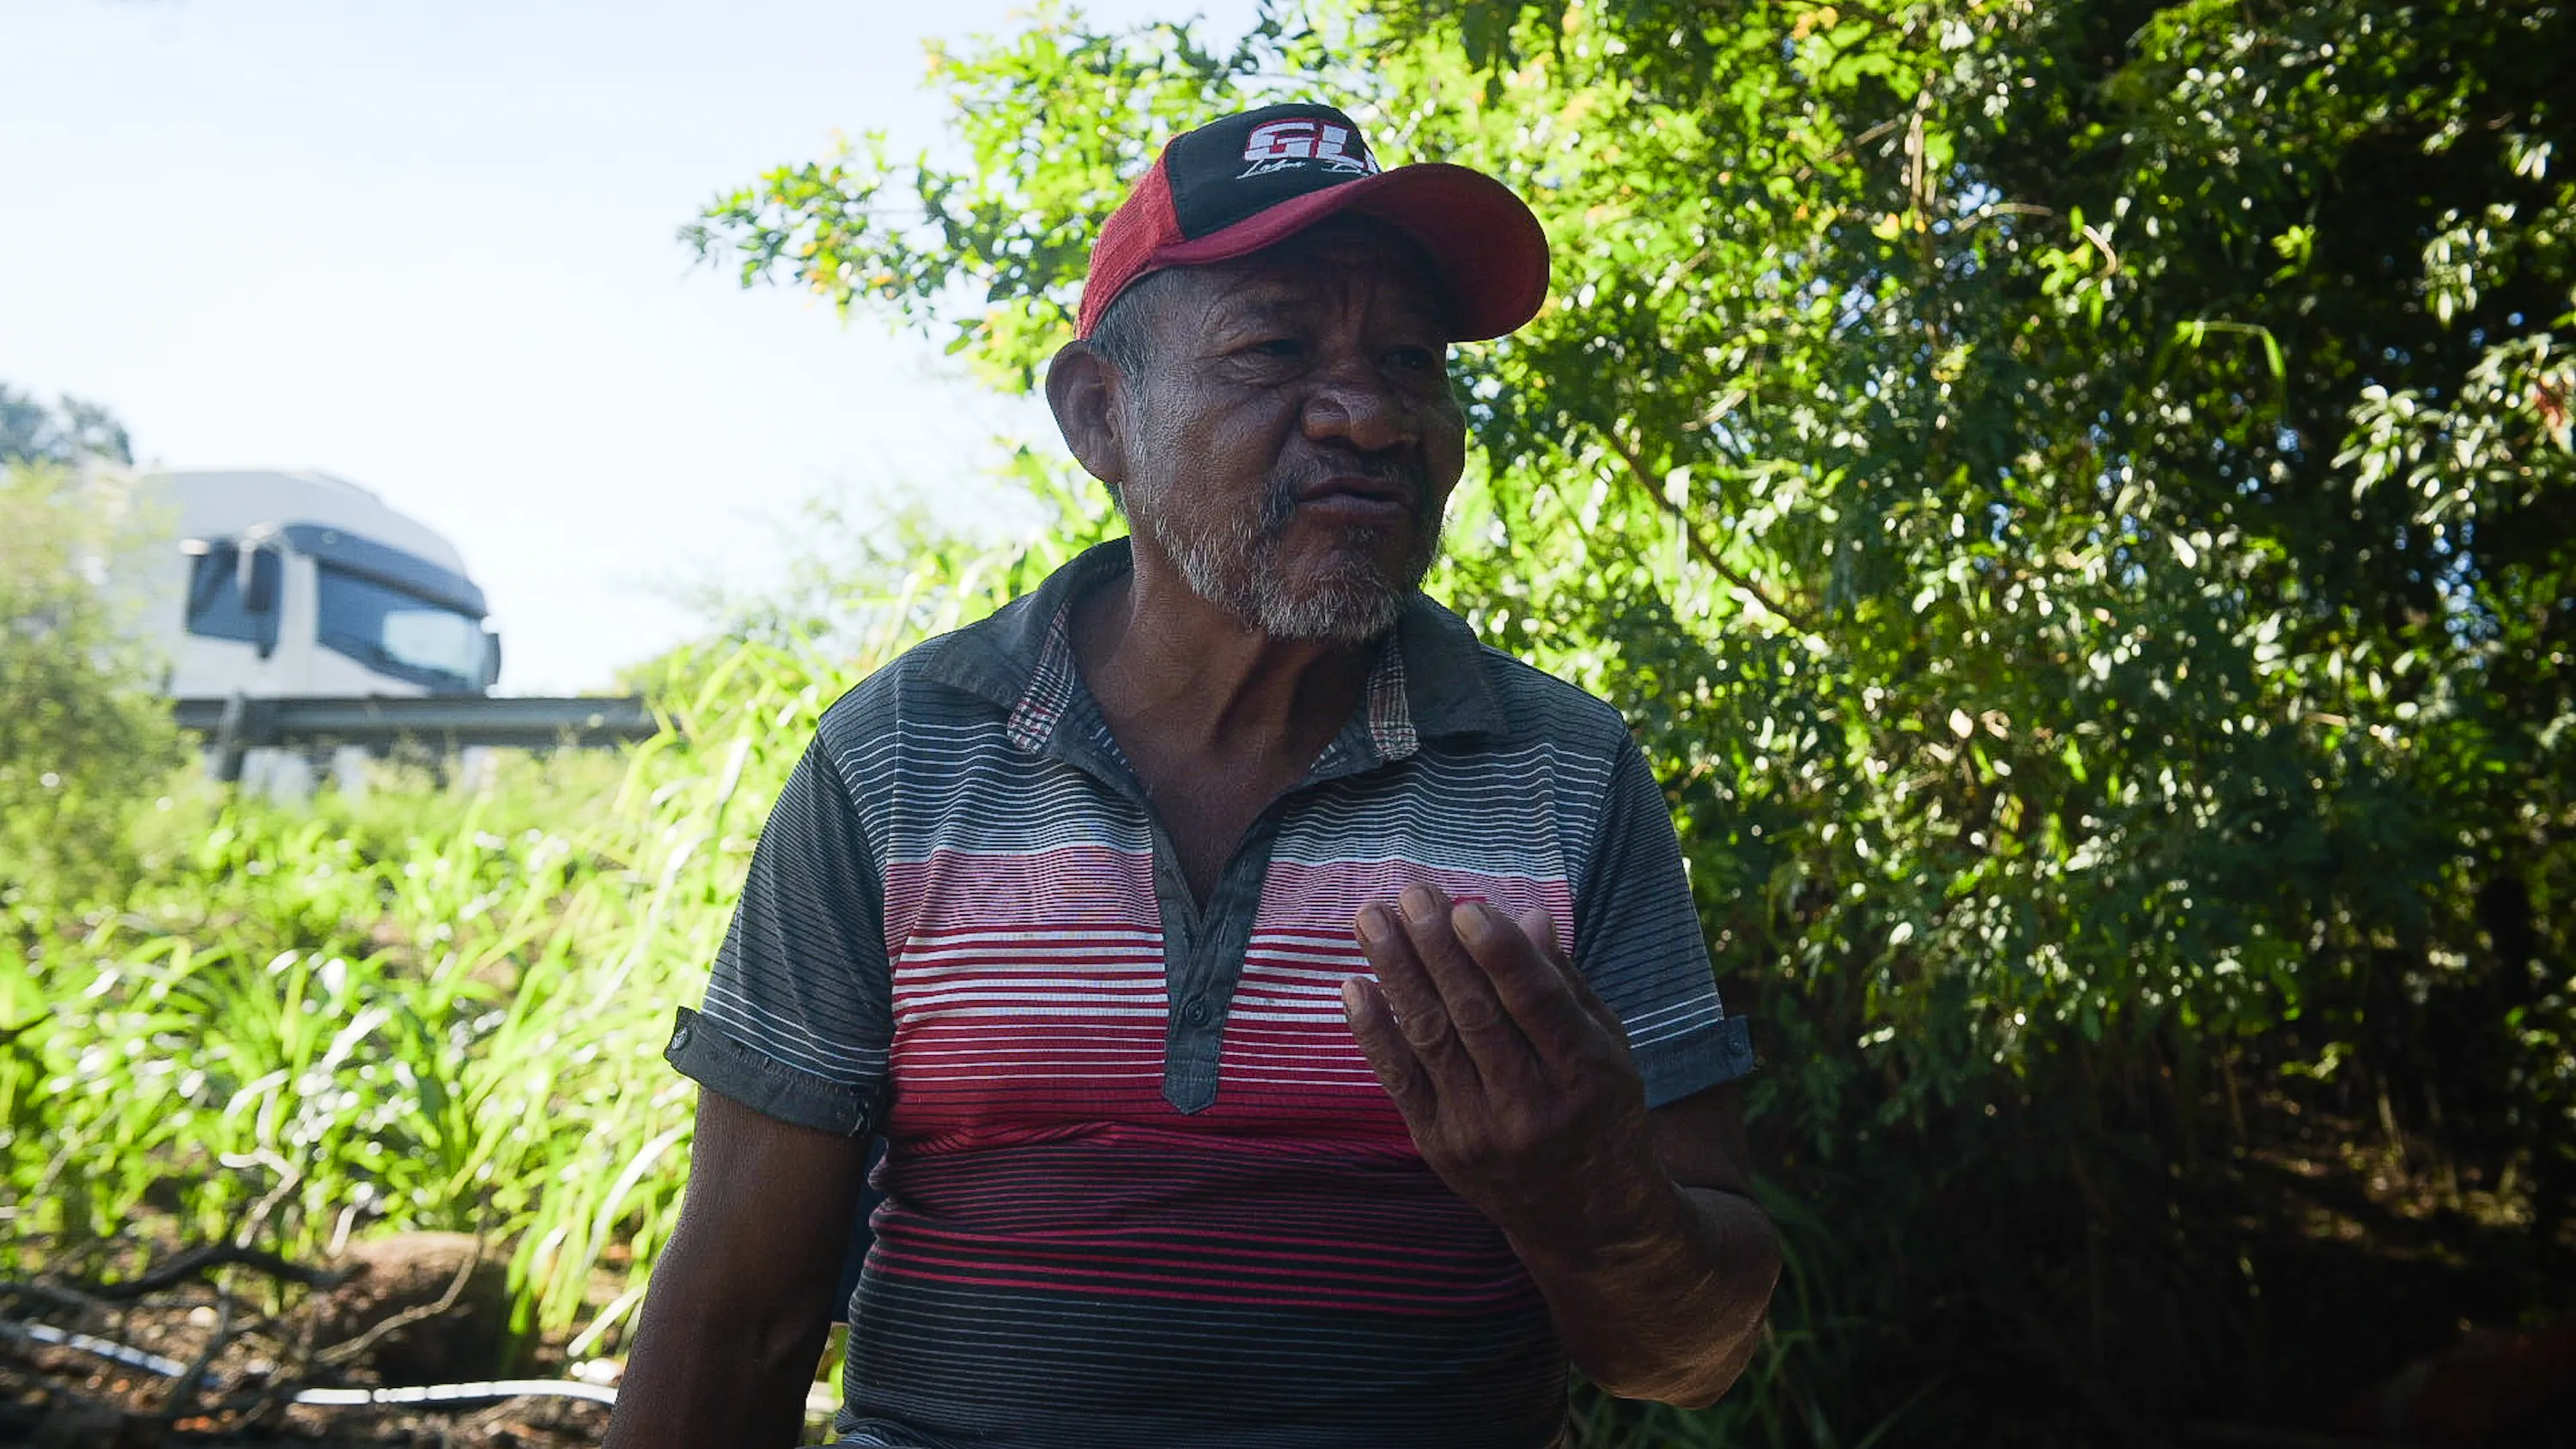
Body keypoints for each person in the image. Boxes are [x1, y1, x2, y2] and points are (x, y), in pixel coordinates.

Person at [605, 101, 1779, 1449]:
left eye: (1411, 360)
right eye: (1276, 348)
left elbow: (1689, 1360)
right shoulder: (901, 760)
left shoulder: (1563, 781)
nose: (1371, 416)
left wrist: (1593, 1200)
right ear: (1101, 415)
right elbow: (735, 1319)